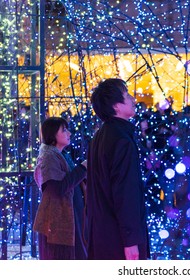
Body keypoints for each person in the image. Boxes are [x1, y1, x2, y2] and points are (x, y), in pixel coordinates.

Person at [87, 78, 149, 260]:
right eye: (127, 95)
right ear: (115, 106)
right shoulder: (122, 140)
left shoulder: (99, 136)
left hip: (101, 234)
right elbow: (125, 193)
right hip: (118, 240)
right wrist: (131, 241)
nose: (133, 99)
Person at [33, 117, 87, 260]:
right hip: (58, 221)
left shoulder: (61, 155)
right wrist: (83, 167)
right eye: (64, 130)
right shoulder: (49, 157)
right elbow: (58, 188)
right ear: (52, 135)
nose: (69, 133)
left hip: (69, 214)